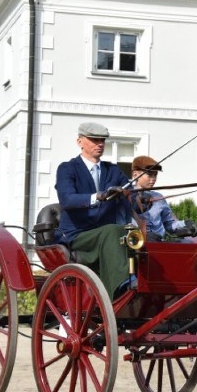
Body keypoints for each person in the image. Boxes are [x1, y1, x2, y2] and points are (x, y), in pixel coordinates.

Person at [55, 122, 131, 298]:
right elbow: (67, 200)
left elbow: (130, 193)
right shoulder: (67, 168)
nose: (100, 144)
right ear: (80, 142)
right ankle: (119, 287)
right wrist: (97, 196)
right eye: (94, 140)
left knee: (131, 234)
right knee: (113, 231)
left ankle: (139, 282)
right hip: (77, 235)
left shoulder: (113, 170)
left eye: (102, 140)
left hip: (104, 234)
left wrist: (142, 199)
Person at [129, 155, 197, 242]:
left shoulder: (159, 198)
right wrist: (142, 235)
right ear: (135, 175)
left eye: (155, 175)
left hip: (159, 244)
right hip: (134, 244)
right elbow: (121, 225)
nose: (153, 179)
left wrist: (185, 224)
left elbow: (169, 224)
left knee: (189, 243)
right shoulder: (126, 197)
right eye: (150, 175)